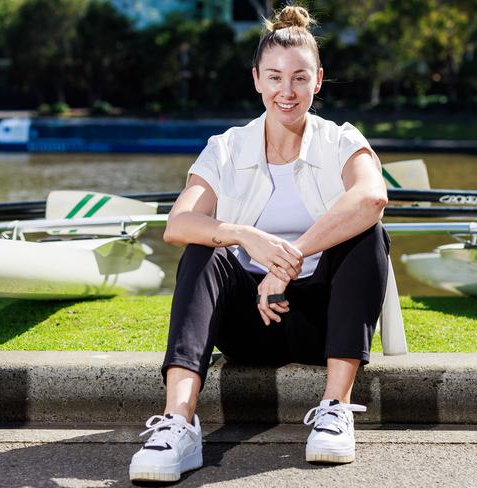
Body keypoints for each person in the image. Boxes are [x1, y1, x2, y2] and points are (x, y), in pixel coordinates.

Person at [129, 4, 390, 483]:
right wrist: (243, 235)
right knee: (204, 245)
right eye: (274, 77)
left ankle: (334, 410)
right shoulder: (226, 147)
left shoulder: (340, 140)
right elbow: (179, 222)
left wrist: (287, 262)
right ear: (256, 80)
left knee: (367, 231)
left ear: (318, 80)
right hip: (251, 321)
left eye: (299, 78)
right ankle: (179, 424)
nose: (286, 91)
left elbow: (373, 196)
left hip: (322, 321)